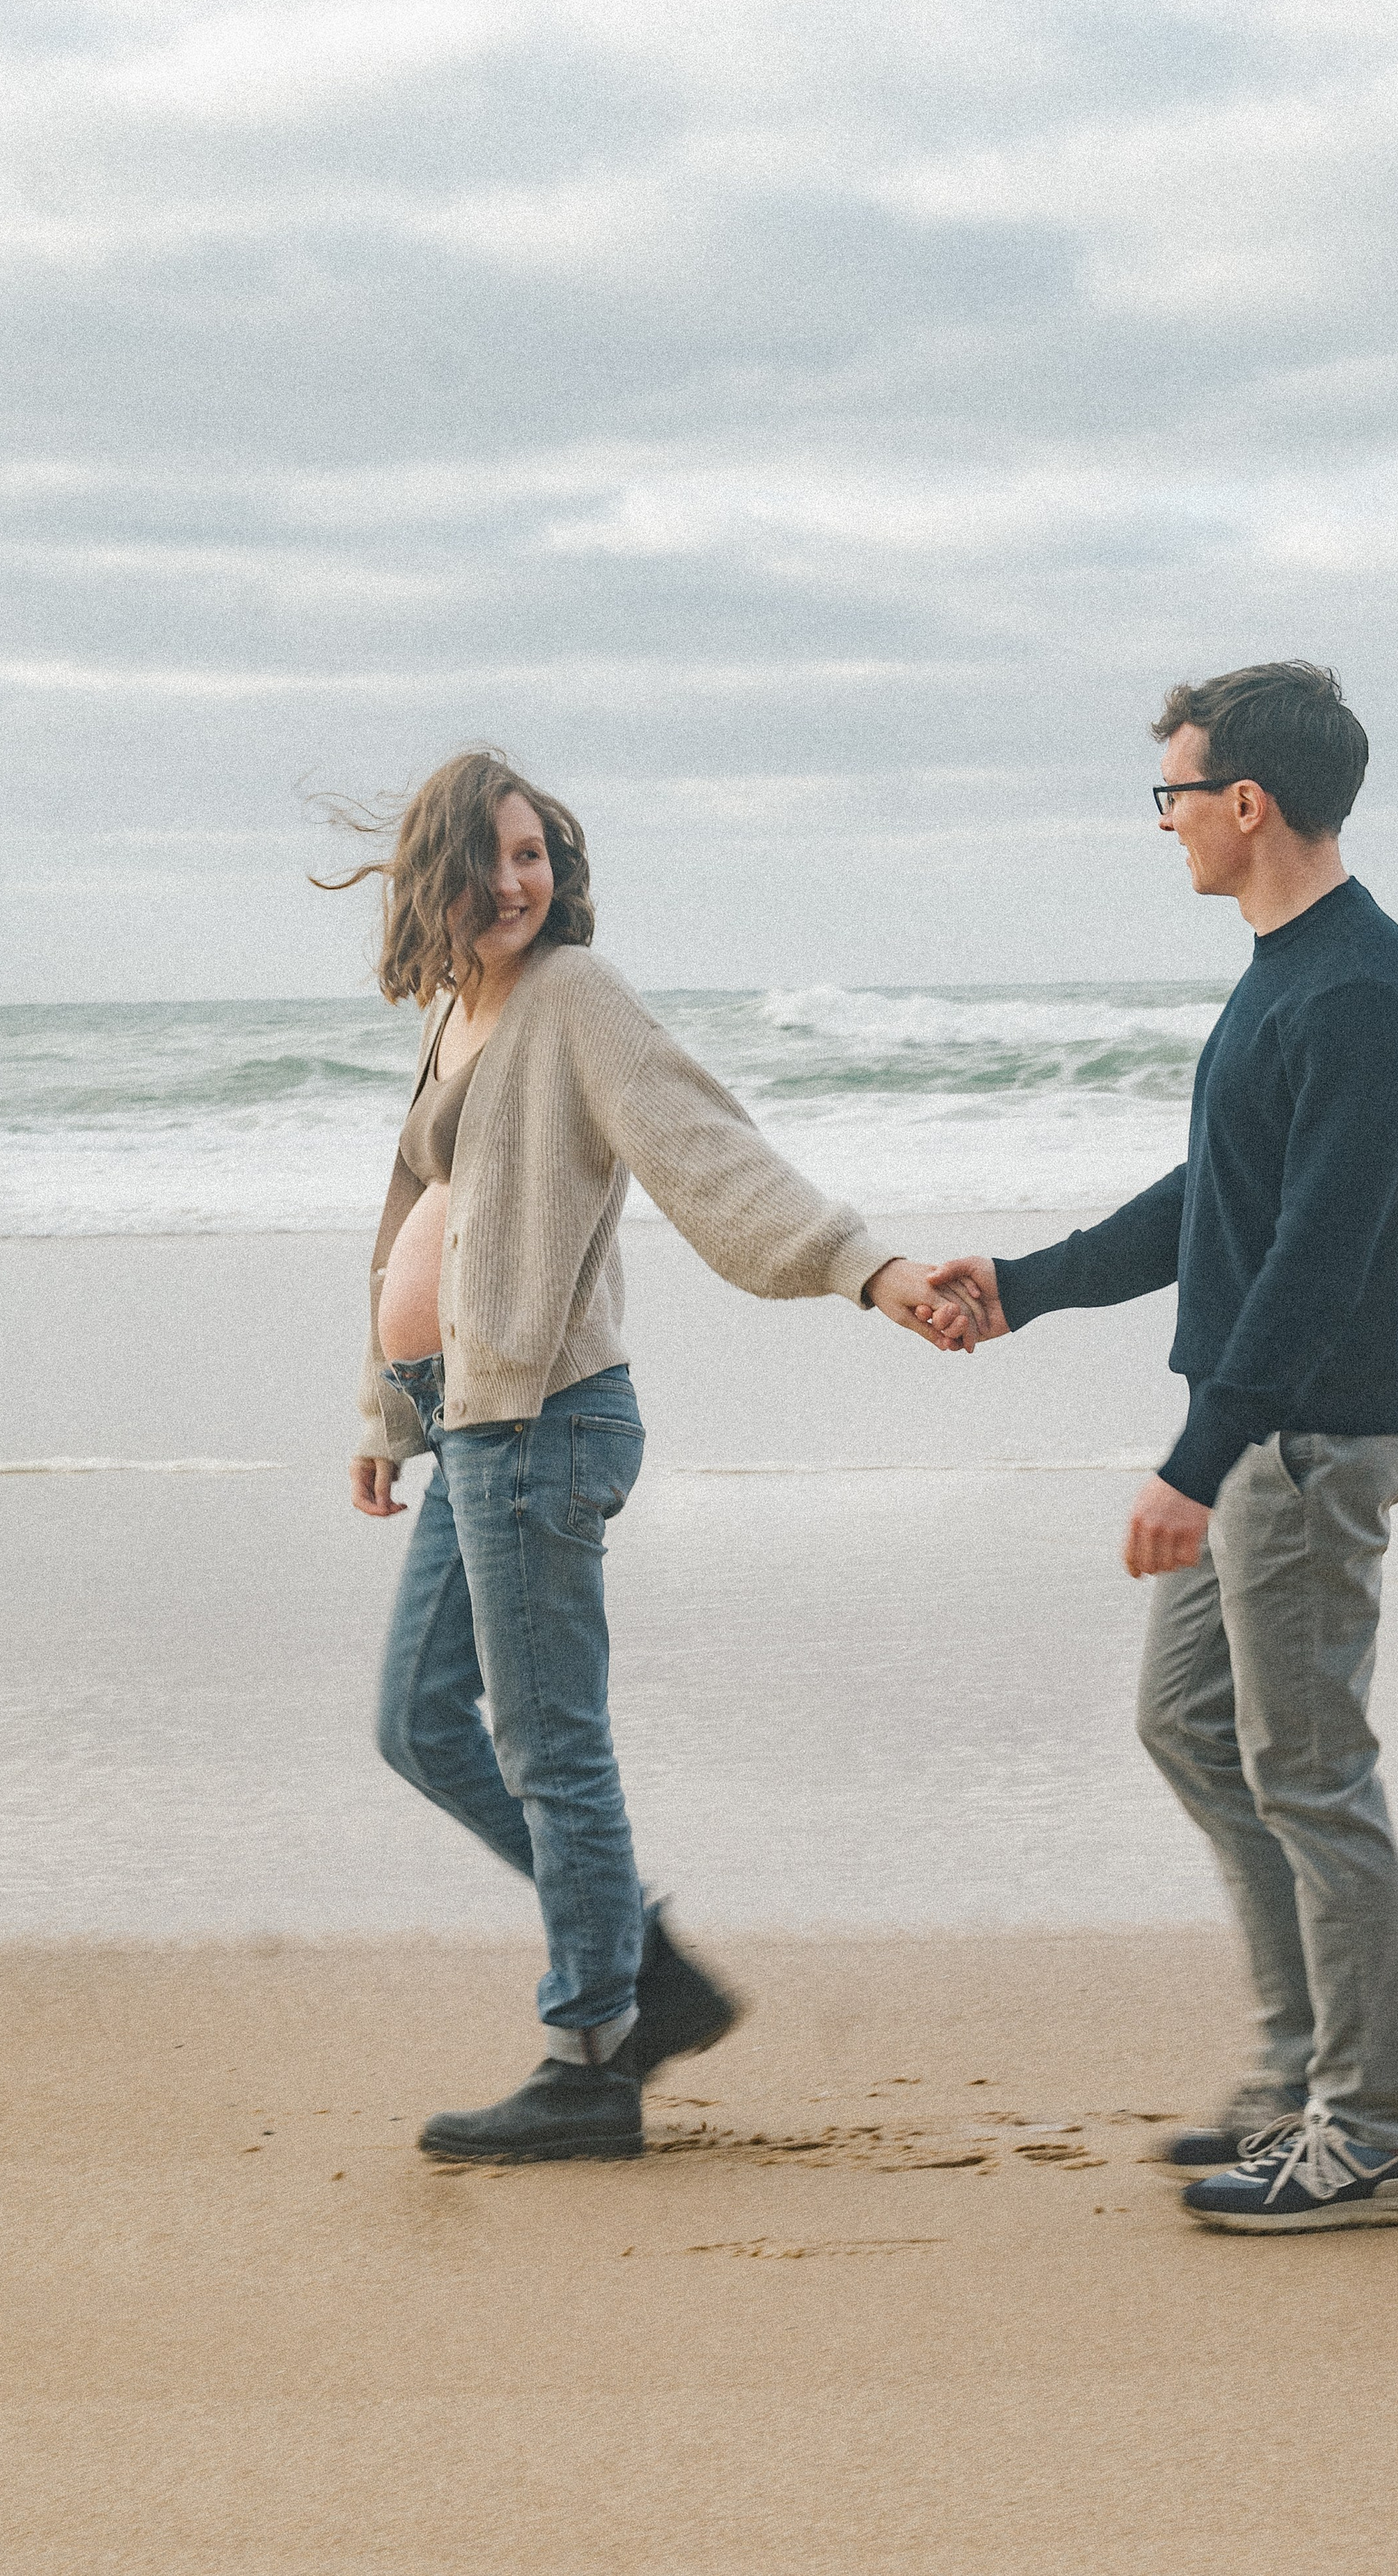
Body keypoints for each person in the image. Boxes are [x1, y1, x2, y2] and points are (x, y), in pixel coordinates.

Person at [320, 749, 966, 2165]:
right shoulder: (460, 1014)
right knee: (419, 1724)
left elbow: (709, 1155)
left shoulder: (573, 1000)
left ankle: (588, 2055)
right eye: (489, 856)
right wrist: (386, 1411)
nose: (514, 879)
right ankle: (636, 1964)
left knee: (551, 1746)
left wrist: (868, 1267)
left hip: (543, 1418)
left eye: (534, 852)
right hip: (464, 1417)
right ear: (436, 872)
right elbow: (410, 1224)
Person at [927, 662, 1398, 2233]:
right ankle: (1302, 2072)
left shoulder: (1356, 989)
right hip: (1260, 1434)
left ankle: (1364, 2133)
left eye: (1170, 793)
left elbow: (1312, 1256)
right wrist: (1022, 1286)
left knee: (1311, 1773)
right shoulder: (1285, 973)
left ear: (1243, 802)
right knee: (1187, 1724)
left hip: (1302, 1442)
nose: (1160, 823)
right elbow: (1209, 1203)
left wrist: (1194, 1452)